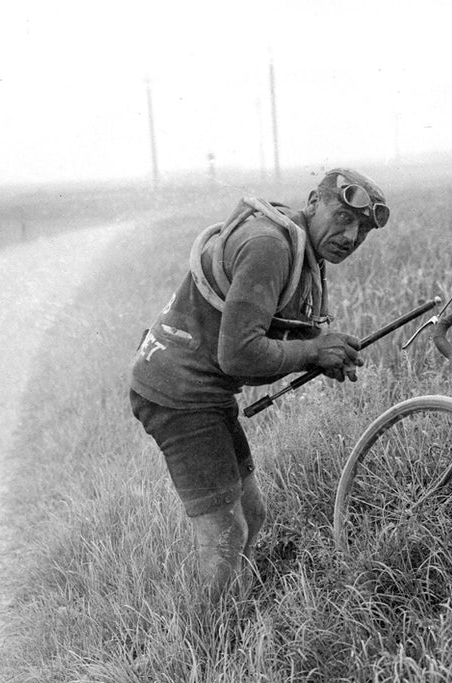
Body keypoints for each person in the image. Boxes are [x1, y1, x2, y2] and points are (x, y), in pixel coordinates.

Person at [129, 168, 389, 602]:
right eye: (343, 218)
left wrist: (320, 352)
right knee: (225, 535)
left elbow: (270, 334)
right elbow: (238, 355)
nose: (350, 236)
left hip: (203, 389)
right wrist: (312, 352)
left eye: (362, 229)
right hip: (179, 394)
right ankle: (208, 636)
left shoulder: (301, 249)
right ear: (313, 202)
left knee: (252, 513)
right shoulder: (271, 246)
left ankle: (237, 608)